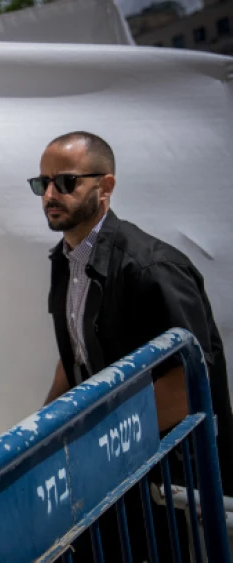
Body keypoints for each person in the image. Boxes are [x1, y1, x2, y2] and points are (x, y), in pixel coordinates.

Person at [34, 131, 233, 560]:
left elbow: (186, 391)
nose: (50, 194)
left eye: (65, 182)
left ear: (105, 186)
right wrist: (37, 434)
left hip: (173, 481)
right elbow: (76, 355)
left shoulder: (152, 268)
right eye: (42, 183)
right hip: (117, 474)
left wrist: (89, 442)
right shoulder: (65, 260)